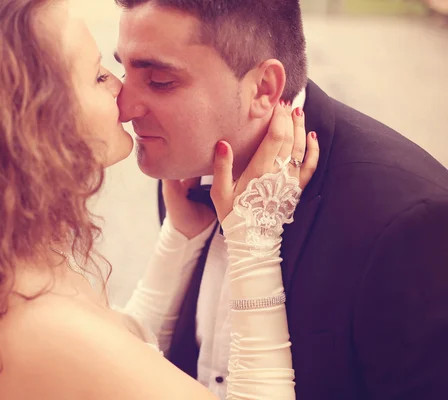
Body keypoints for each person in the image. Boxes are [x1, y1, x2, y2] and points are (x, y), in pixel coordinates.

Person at [0, 0, 319, 399]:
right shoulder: (35, 322)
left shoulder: (0, 264)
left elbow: (114, 363)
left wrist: (177, 239)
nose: (122, 92)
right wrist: (256, 241)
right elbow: (87, 354)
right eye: (99, 76)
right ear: (33, 124)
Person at [113, 1, 448, 399]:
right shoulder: (184, 171)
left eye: (161, 81)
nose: (124, 107)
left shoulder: (406, 222)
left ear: (263, 88)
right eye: (123, 70)